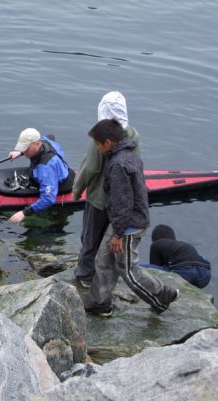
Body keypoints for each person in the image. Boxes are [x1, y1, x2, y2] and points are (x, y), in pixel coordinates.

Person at [83, 119, 179, 316]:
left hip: (128, 225)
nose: (96, 147)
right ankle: (99, 303)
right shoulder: (130, 154)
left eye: (97, 143)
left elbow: (123, 201)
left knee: (126, 269)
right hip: (124, 221)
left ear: (108, 142)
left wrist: (118, 234)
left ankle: (162, 295)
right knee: (103, 260)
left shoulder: (118, 165)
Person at [72, 91, 140, 288]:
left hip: (99, 198)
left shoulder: (101, 138)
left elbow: (90, 168)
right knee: (107, 240)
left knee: (90, 237)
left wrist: (77, 190)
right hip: (121, 199)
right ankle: (104, 276)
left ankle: (85, 275)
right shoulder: (133, 134)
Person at [7, 128, 71, 223]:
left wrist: (23, 213)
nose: (24, 151)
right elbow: (51, 136)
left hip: (56, 182)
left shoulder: (45, 168)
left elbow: (48, 199)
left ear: (37, 144)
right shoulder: (45, 140)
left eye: (26, 148)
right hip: (53, 169)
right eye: (22, 147)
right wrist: (20, 152)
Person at [147, 224, 211, 288]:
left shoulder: (156, 244)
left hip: (185, 273)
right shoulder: (181, 245)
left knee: (140, 268)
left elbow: (154, 271)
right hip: (204, 275)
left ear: (153, 240)